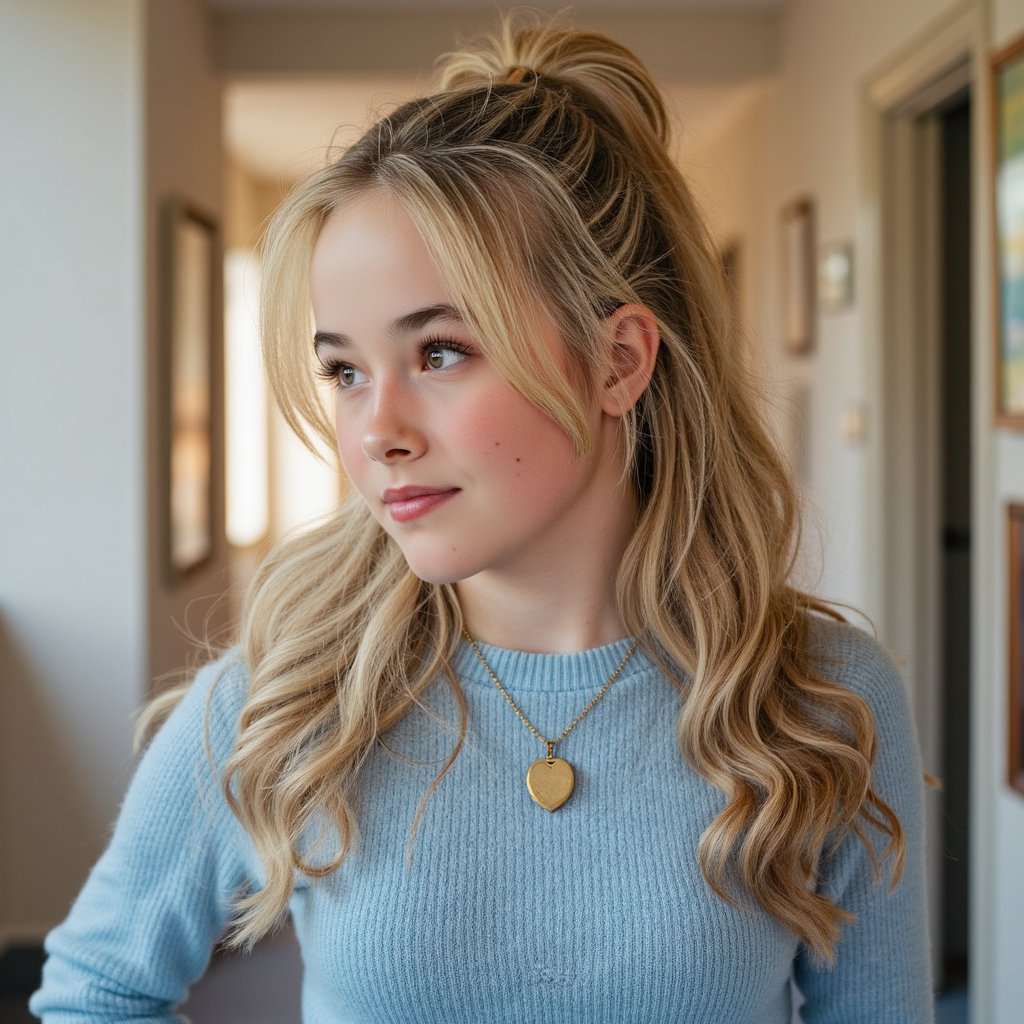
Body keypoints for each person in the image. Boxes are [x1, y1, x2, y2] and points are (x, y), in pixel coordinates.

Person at [31, 15, 932, 1024]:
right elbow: (96, 994)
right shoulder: (282, 699)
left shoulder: (820, 701)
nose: (377, 431)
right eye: (344, 371)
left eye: (441, 353)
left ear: (618, 361)